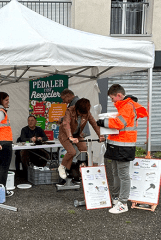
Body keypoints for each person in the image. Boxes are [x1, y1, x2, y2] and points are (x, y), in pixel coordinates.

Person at [96, 84, 148, 214]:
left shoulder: (127, 107)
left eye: (112, 98)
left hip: (124, 146)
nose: (112, 101)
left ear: (119, 95)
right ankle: (117, 198)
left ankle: (123, 202)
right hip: (117, 145)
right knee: (116, 172)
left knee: (123, 175)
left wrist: (103, 122)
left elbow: (119, 123)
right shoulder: (124, 107)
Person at [58, 98, 105, 181]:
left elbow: (94, 123)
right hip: (65, 134)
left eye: (84, 114)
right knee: (72, 152)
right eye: (81, 113)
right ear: (76, 109)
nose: (83, 115)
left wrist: (100, 135)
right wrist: (70, 137)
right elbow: (66, 124)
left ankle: (75, 167)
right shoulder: (69, 111)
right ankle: (62, 167)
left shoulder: (86, 113)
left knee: (84, 149)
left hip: (77, 134)